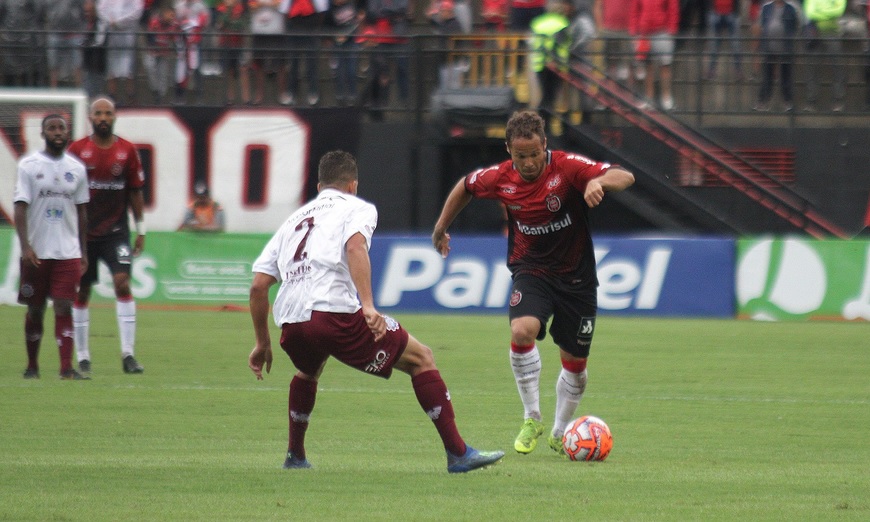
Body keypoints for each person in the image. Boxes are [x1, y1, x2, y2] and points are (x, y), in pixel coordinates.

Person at [248, 150, 505, 473]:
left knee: (308, 371)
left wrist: (262, 343)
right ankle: (458, 453)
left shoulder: (293, 221)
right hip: (332, 313)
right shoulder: (358, 208)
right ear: (353, 185)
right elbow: (355, 247)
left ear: (319, 185)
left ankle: (295, 457)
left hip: (292, 322)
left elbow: (258, 286)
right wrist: (368, 305)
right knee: (421, 358)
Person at [431, 110, 634, 456]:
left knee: (575, 364)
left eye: (535, 154)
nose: (528, 163)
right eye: (520, 156)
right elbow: (465, 186)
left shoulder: (568, 167)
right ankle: (532, 417)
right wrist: (440, 227)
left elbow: (624, 175)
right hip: (532, 270)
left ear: (545, 147)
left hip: (578, 279)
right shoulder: (500, 177)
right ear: (509, 150)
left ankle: (558, 431)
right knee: (522, 330)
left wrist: (599, 182)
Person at [67, 97, 146, 376]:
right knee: (82, 290)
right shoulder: (77, 150)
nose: (103, 117)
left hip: (117, 232)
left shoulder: (127, 151)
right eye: (98, 113)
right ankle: (84, 356)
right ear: (90, 117)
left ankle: (128, 355)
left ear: (115, 117)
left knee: (122, 284)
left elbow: (135, 191)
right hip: (84, 234)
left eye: (108, 113)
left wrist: (141, 228)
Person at [13, 115, 90, 380]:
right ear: (43, 134)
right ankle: (32, 365)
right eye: (52, 128)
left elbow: (82, 213)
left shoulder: (77, 168)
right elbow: (20, 208)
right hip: (37, 251)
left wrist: (84, 252)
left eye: (61, 128)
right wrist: (25, 247)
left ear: (68, 134)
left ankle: (66, 368)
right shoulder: (29, 166)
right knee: (35, 309)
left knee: (64, 306)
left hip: (67, 251)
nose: (58, 132)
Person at [629, 0, 680, 110]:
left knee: (665, 66)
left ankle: (666, 98)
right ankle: (649, 98)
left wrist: (672, 30)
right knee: (648, 67)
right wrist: (634, 32)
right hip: (645, 33)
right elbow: (635, 10)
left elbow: (673, 8)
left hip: (662, 31)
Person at [753, 0, 800, 112]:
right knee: (767, 77)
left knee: (786, 77)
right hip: (768, 47)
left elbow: (797, 26)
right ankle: (762, 102)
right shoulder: (766, 7)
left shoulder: (792, 8)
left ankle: (788, 103)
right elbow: (759, 25)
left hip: (786, 48)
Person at [802, 0, 847, 112]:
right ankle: (811, 101)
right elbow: (809, 12)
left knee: (837, 68)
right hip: (814, 33)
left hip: (833, 33)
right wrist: (827, 14)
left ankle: (838, 101)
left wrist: (820, 14)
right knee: (812, 68)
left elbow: (839, 11)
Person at [98, 0, 144, 105]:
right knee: (111, 65)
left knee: (129, 67)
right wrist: (110, 21)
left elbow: (137, 12)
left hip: (127, 33)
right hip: (111, 31)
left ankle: (130, 98)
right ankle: (112, 97)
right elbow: (101, 9)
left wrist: (119, 22)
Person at [214, 0, 251, 104]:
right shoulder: (221, 9)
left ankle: (246, 98)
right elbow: (220, 25)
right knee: (229, 70)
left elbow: (242, 25)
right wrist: (229, 11)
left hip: (240, 43)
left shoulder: (242, 8)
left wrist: (232, 23)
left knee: (243, 69)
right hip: (226, 43)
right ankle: (230, 98)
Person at [45, 0, 87, 89]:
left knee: (78, 64)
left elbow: (83, 10)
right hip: (55, 32)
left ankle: (79, 91)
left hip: (74, 32)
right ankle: (53, 93)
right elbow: (45, 9)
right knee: (53, 64)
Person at [704, 0, 743, 81]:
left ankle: (738, 70)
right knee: (713, 45)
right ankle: (711, 70)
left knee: (735, 44)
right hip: (715, 12)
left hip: (732, 12)